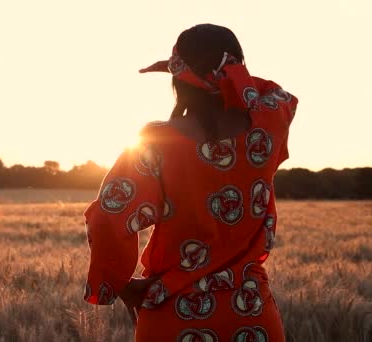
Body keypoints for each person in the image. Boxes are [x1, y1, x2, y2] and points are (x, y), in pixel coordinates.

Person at [82, 24, 297, 341]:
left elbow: (109, 217)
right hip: (252, 315)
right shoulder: (265, 129)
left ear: (178, 77)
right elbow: (274, 95)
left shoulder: (156, 142)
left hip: (174, 317)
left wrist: (121, 285)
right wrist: (230, 77)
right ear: (239, 69)